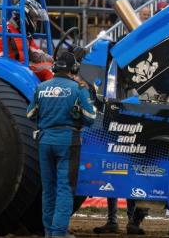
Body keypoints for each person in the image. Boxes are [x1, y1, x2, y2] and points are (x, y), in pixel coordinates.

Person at [26, 52, 96, 238]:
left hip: (45, 141)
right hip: (67, 142)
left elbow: (30, 114)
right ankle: (58, 233)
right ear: (74, 69)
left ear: (55, 67)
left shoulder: (41, 88)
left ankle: (49, 231)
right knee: (64, 188)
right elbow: (91, 118)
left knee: (48, 188)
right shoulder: (78, 88)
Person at [0, 0, 54, 81]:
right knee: (48, 70)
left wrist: (55, 60)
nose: (36, 23)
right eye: (35, 19)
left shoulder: (25, 33)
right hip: (11, 71)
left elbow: (37, 54)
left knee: (53, 68)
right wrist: (27, 66)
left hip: (23, 69)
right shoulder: (1, 30)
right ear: (25, 16)